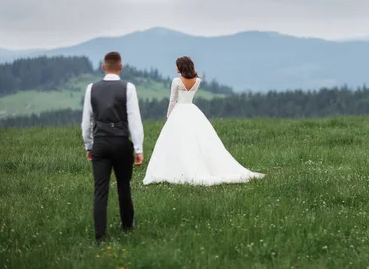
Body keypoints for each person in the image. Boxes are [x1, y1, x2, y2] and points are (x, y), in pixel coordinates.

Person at [143, 56, 263, 186]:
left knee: (178, 141)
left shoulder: (176, 81)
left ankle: (176, 169)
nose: (175, 67)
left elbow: (172, 100)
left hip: (179, 111)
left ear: (181, 66)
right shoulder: (197, 81)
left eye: (176, 65)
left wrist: (168, 116)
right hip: (192, 111)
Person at [81, 51, 144, 244]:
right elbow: (134, 119)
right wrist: (139, 148)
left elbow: (86, 121)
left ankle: (100, 236)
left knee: (100, 190)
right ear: (121, 67)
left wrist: (88, 145)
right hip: (121, 143)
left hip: (100, 143)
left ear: (103, 67)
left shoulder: (91, 88)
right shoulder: (128, 88)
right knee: (123, 187)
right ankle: (127, 227)